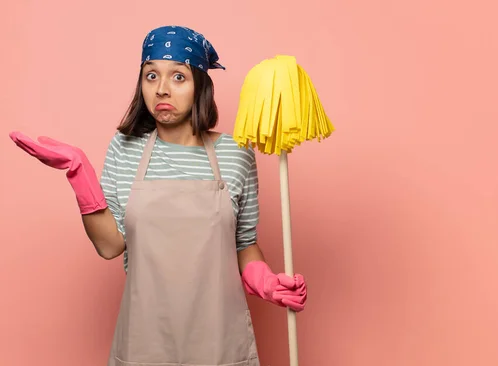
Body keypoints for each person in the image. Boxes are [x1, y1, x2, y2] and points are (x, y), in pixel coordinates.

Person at [8, 25, 307, 366]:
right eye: (151, 76)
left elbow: (244, 245)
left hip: (221, 343)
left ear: (199, 86)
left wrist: (267, 283)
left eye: (178, 77)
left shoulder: (235, 153)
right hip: (144, 343)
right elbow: (109, 245)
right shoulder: (125, 149)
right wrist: (79, 172)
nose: (162, 89)